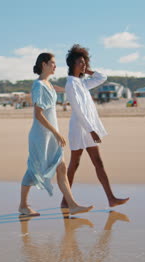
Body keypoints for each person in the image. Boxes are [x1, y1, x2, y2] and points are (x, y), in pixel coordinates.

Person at [19, 53, 94, 216]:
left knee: (61, 167)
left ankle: (72, 205)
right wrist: (56, 133)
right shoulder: (39, 85)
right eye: (52, 63)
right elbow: (38, 114)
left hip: (51, 135)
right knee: (33, 169)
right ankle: (23, 206)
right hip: (41, 136)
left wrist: (55, 134)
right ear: (44, 64)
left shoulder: (49, 84)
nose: (55, 66)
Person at [62, 44, 129, 208]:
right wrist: (92, 131)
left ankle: (111, 198)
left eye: (85, 62)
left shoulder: (83, 82)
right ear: (72, 64)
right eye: (80, 62)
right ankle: (65, 201)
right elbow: (78, 111)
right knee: (74, 164)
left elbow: (102, 77)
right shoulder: (71, 84)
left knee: (98, 163)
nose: (83, 65)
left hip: (89, 129)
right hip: (80, 129)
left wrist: (87, 70)